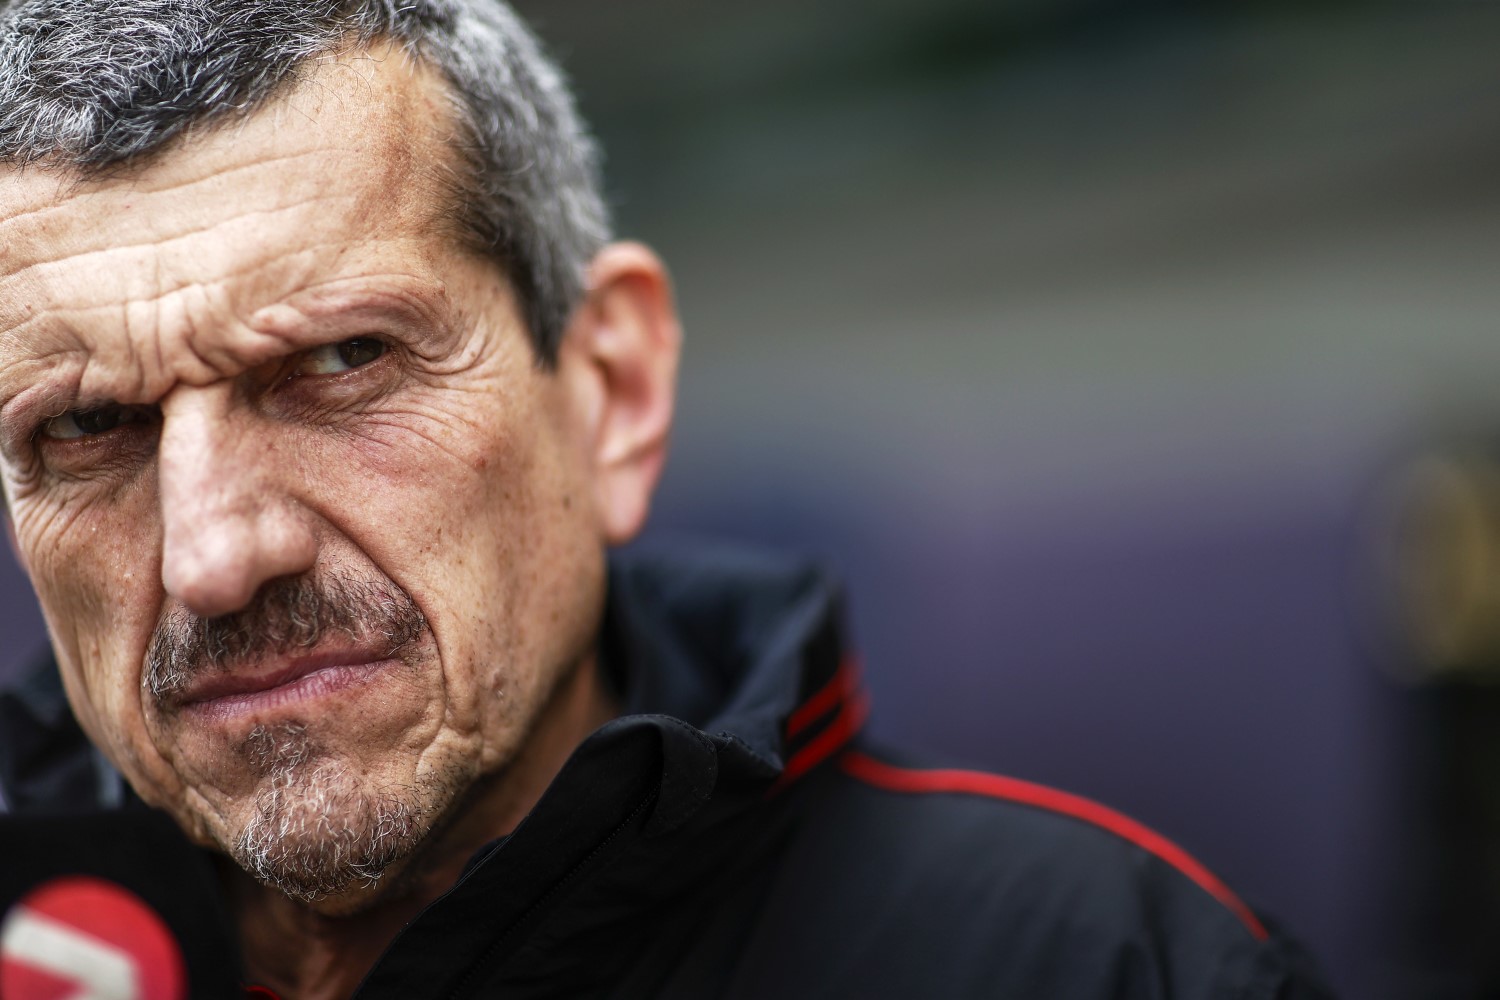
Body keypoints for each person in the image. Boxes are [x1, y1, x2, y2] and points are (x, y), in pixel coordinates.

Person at [0, 2, 1332, 997]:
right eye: (86, 426)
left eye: (343, 363)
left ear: (611, 391)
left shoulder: (1108, 969)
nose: (215, 554)